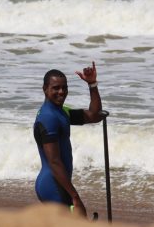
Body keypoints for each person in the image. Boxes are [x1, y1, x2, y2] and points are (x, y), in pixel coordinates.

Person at [33, 62, 103, 218]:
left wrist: (92, 84)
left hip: (57, 183)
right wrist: (75, 197)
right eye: (56, 88)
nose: (61, 92)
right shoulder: (48, 118)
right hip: (52, 185)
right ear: (45, 89)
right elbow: (54, 162)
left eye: (64, 87)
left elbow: (94, 115)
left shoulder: (60, 112)